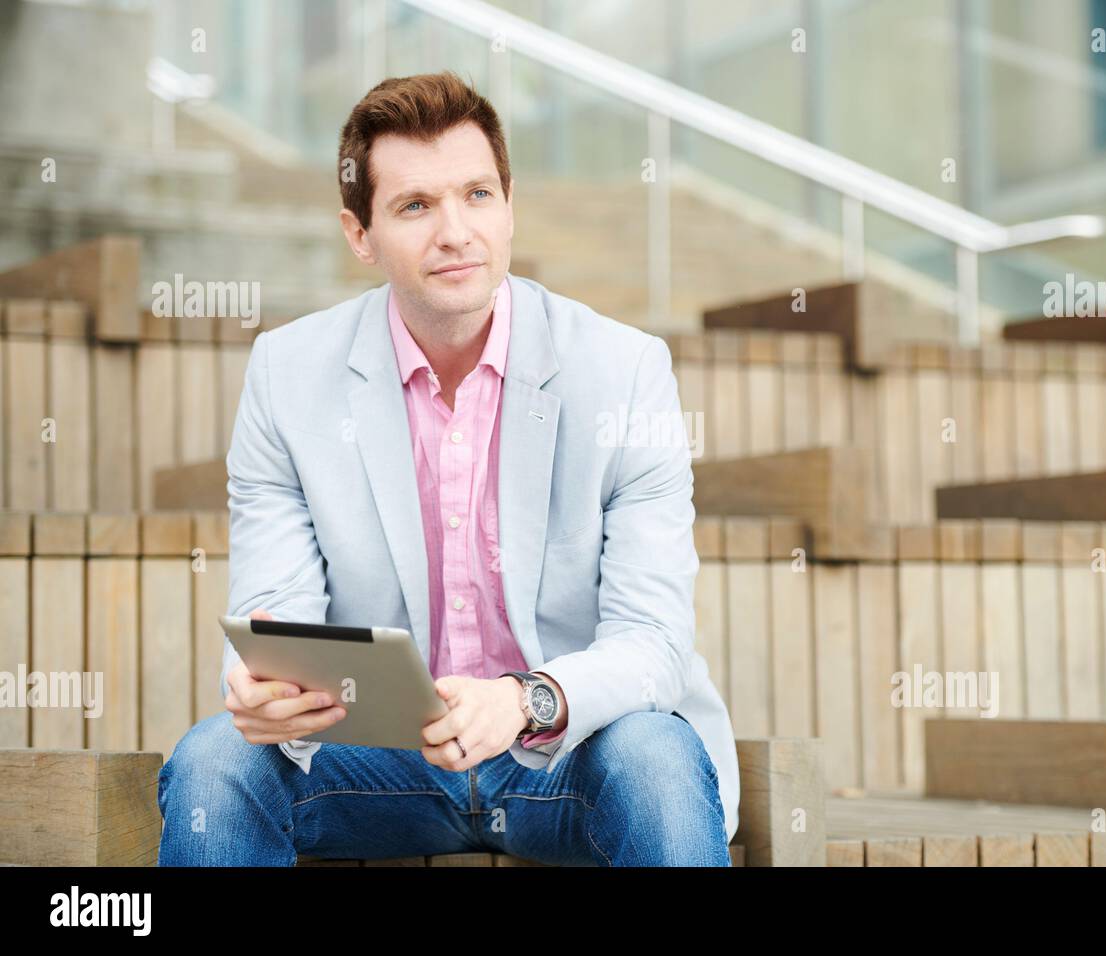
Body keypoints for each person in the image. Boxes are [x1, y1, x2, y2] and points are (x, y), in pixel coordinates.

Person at [156, 71, 738, 866]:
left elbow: (653, 642)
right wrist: (267, 691)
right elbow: (274, 612)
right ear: (359, 235)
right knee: (217, 760)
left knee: (656, 758)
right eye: (415, 206)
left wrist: (525, 702)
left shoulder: (626, 371)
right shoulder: (287, 375)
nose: (456, 231)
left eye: (477, 195)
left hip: (568, 754)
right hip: (377, 760)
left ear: (509, 207)